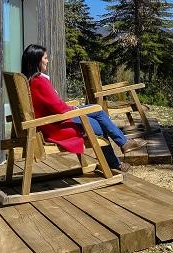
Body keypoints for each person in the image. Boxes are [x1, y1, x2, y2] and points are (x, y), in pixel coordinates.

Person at [21, 43, 144, 172]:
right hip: (56, 126)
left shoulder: (31, 81)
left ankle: (122, 148)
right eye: (45, 58)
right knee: (99, 123)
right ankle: (119, 153)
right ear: (37, 60)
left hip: (52, 121)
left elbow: (53, 105)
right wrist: (74, 109)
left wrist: (73, 108)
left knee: (97, 111)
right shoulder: (39, 81)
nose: (47, 61)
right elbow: (58, 107)